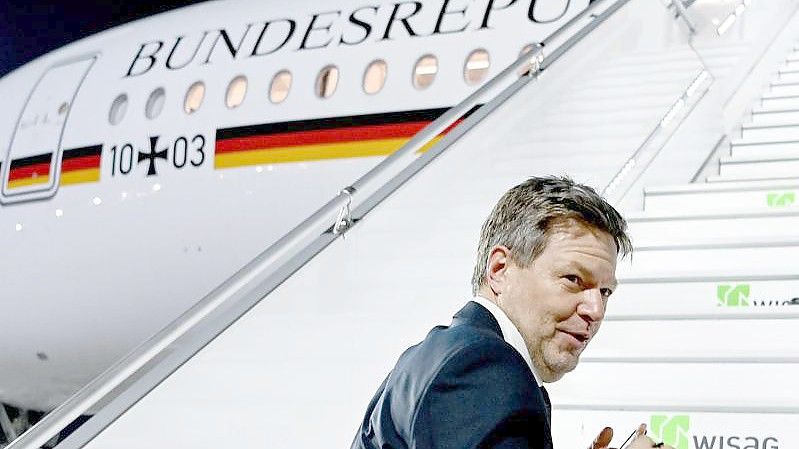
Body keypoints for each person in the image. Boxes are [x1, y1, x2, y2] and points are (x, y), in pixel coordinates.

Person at [349, 176, 650, 449]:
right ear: (499, 270)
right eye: (573, 279)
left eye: (605, 291)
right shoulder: (483, 368)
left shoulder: (444, 354)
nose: (596, 310)